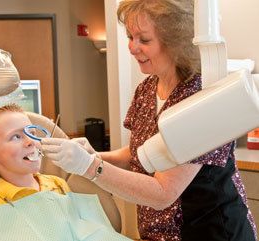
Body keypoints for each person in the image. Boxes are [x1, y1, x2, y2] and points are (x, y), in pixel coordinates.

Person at [41, 0, 258, 241]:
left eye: (144, 40)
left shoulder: (201, 99)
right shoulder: (146, 89)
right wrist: (93, 155)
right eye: (130, 37)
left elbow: (163, 193)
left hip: (210, 231)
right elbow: (137, 153)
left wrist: (89, 167)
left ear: (176, 43)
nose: (132, 48)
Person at [0, 104, 130, 241]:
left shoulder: (57, 184)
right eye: (16, 137)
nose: (31, 141)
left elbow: (80, 231)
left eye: (32, 132)